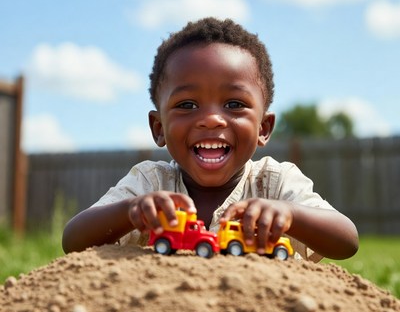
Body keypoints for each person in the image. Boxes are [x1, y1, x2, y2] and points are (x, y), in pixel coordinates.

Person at [62, 17, 359, 261]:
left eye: (234, 104)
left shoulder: (275, 183)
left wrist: (290, 214)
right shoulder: (152, 185)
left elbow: (346, 240)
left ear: (264, 128)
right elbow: (73, 240)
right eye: (187, 105)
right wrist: (130, 211)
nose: (211, 119)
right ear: (159, 128)